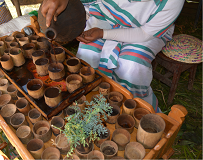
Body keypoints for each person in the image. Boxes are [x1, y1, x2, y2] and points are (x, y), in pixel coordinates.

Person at [41, 0, 185, 112]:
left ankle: (129, 108)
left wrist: (103, 33)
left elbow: (144, 33)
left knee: (132, 65)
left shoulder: (171, 2)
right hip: (109, 11)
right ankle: (90, 100)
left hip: (146, 29)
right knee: (87, 55)